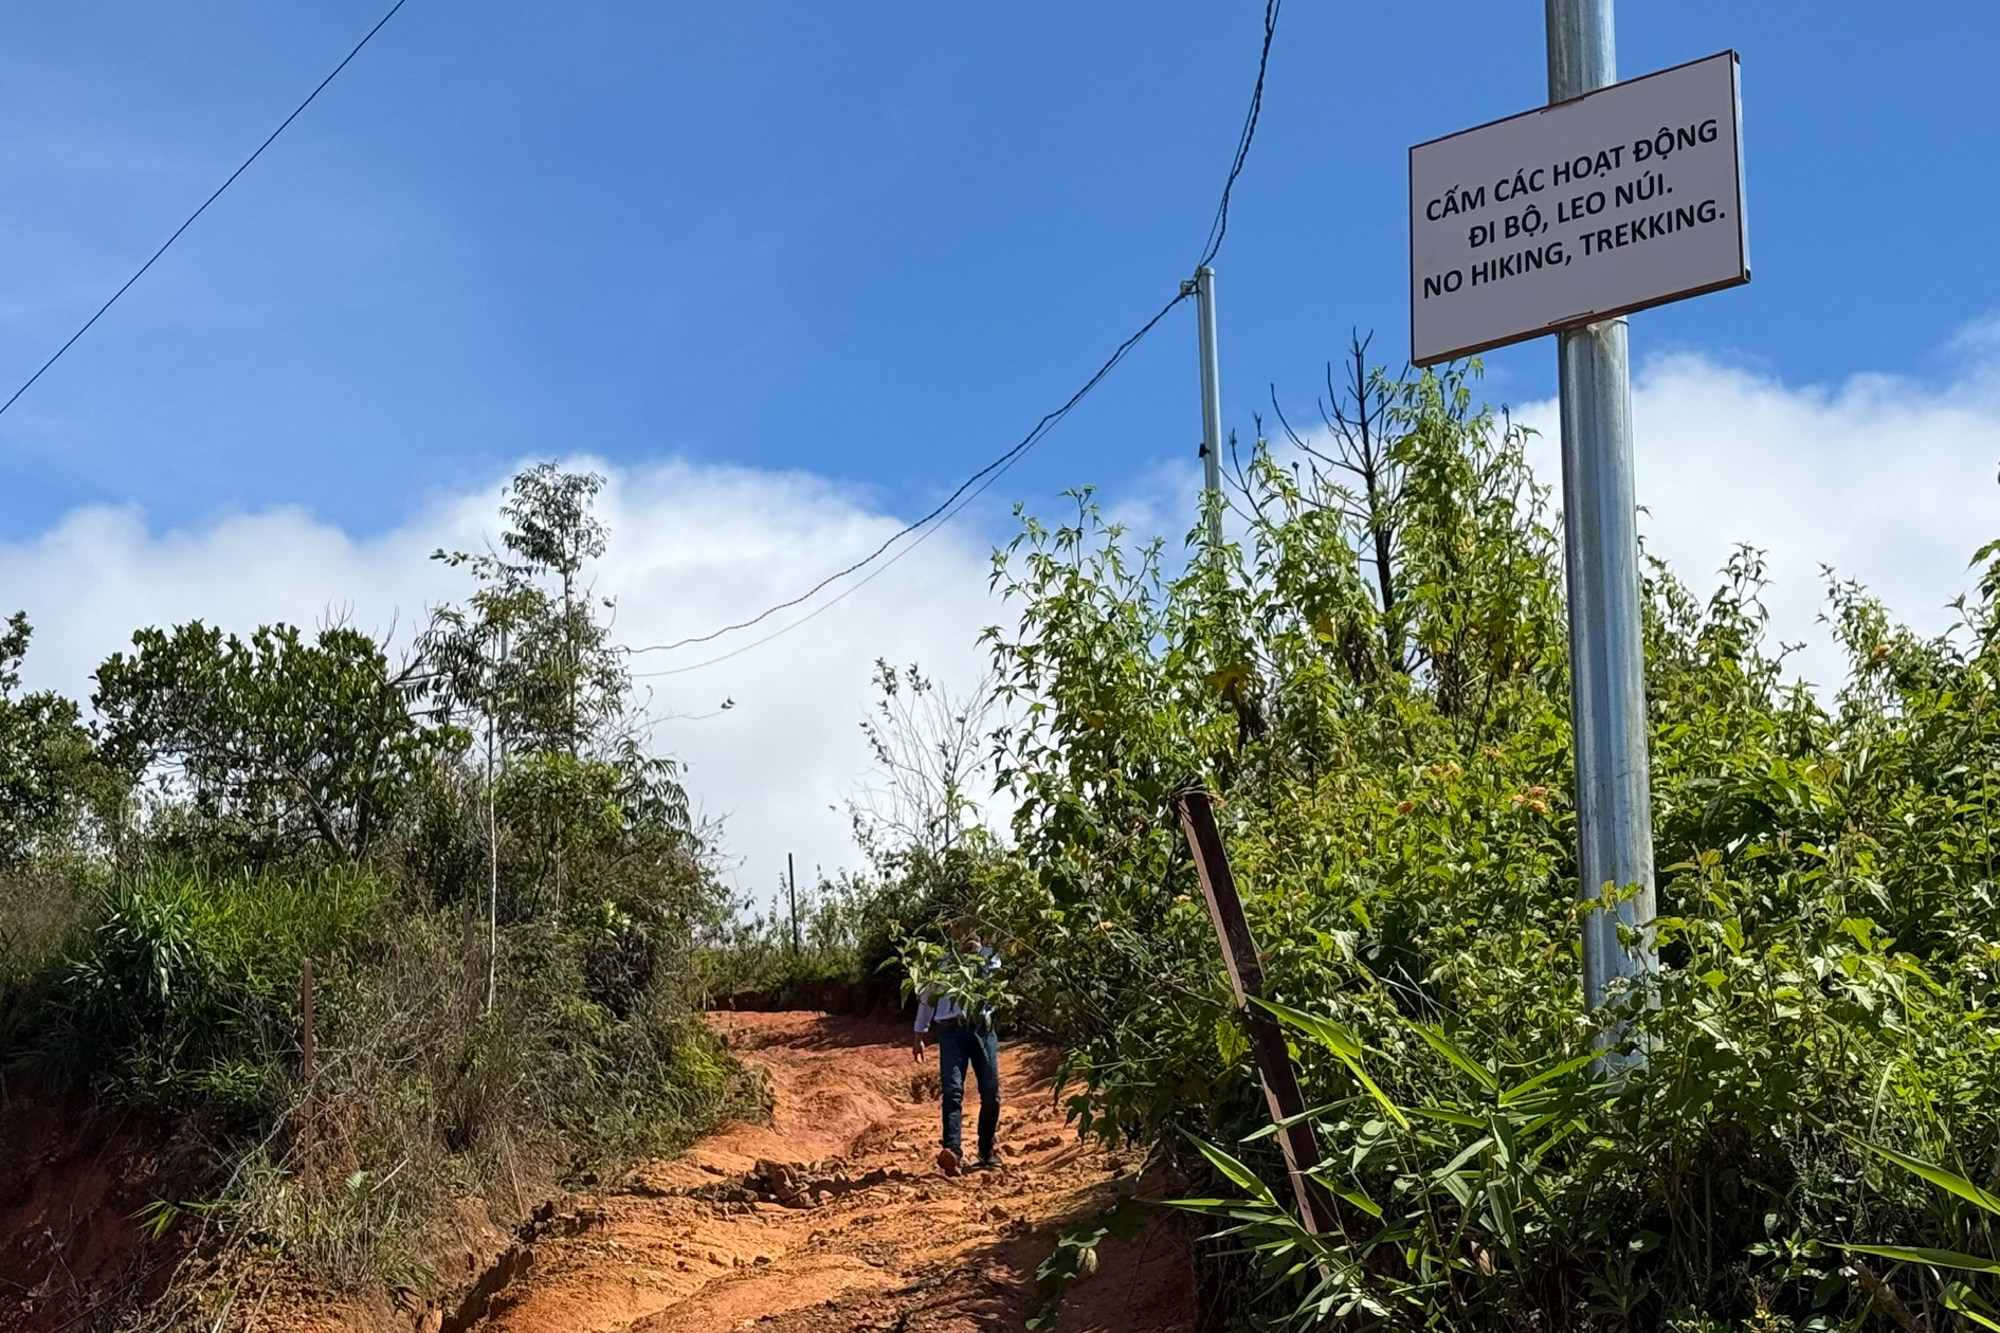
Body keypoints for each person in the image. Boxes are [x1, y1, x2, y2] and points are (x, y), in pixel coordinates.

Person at [911, 919, 1002, 1176]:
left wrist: (979, 951)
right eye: (959, 931)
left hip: (981, 1028)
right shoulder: (940, 965)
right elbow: (927, 1000)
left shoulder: (988, 960)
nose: (965, 936)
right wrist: (919, 1033)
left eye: (970, 930)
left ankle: (986, 1148)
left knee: (991, 1092)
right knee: (952, 1092)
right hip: (950, 1032)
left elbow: (996, 971)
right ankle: (953, 1151)